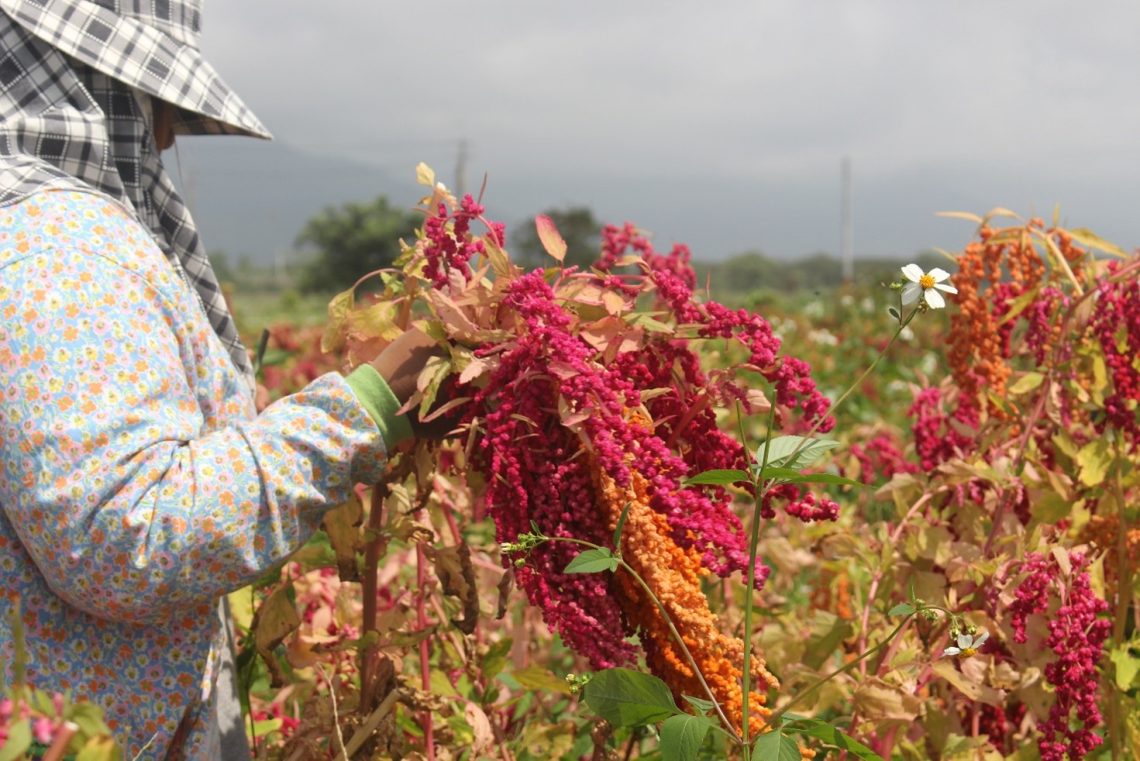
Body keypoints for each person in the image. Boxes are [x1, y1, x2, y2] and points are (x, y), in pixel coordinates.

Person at [0, 2, 442, 758]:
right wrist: (363, 410)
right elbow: (127, 532)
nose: (168, 135)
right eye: (155, 103)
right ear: (91, 85)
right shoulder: (56, 247)